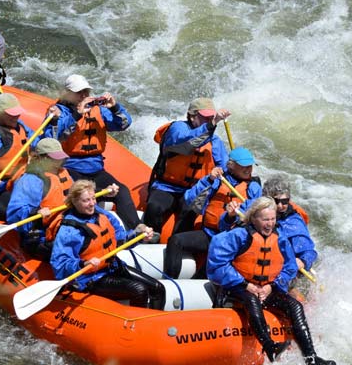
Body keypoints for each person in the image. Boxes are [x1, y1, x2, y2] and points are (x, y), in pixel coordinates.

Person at [207, 197, 335, 365]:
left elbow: (289, 268)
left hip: (267, 289)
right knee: (252, 300)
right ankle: (270, 347)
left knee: (295, 306)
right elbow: (217, 265)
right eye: (265, 219)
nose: (270, 224)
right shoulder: (238, 235)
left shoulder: (280, 238)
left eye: (273, 219)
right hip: (237, 288)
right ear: (253, 218)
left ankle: (311, 359)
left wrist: (271, 287)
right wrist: (246, 285)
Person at [42, 74, 143, 232]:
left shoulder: (98, 110)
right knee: (85, 195)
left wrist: (115, 107)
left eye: (86, 92)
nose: (84, 96)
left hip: (95, 168)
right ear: (67, 93)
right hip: (70, 167)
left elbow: (123, 124)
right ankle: (96, 229)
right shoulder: (57, 112)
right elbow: (53, 139)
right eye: (79, 92)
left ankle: (136, 228)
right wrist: (77, 115)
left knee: (121, 190)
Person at [50, 180, 165, 310]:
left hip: (112, 267)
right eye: (86, 200)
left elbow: (120, 241)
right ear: (75, 202)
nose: (92, 203)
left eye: (93, 198)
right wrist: (83, 264)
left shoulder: (101, 215)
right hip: (90, 278)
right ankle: (137, 328)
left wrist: (138, 236)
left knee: (158, 288)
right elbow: (59, 264)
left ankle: (151, 322)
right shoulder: (69, 231)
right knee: (140, 290)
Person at [163, 147, 261, 279]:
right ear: (231, 166)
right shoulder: (218, 179)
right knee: (175, 241)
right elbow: (189, 198)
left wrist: (232, 215)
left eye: (250, 166)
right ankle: (170, 280)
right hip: (209, 234)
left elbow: (253, 214)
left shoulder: (253, 187)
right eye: (244, 166)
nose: (248, 169)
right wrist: (209, 179)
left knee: (204, 274)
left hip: (229, 240)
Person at [144, 97, 230, 235]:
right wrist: (212, 124)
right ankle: (149, 239)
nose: (208, 121)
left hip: (194, 190)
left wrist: (221, 171)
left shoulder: (214, 140)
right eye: (205, 118)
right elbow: (187, 143)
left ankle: (177, 246)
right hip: (167, 186)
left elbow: (225, 166)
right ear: (191, 116)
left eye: (211, 118)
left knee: (190, 214)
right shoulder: (177, 129)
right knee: (155, 207)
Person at [262, 175, 317, 272]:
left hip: (284, 270)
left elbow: (309, 252)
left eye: (284, 201)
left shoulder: (293, 224)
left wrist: (303, 261)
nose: (280, 206)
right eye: (276, 201)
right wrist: (230, 217)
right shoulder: (255, 211)